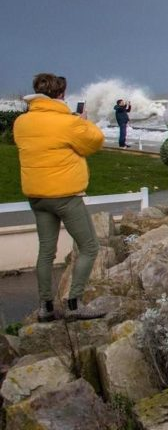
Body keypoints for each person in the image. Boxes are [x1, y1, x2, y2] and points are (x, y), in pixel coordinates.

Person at [13, 73, 107, 321]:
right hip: (65, 195)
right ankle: (75, 305)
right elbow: (94, 142)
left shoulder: (21, 122)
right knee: (89, 247)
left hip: (37, 196)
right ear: (61, 95)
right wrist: (83, 122)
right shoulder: (67, 123)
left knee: (46, 252)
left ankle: (46, 308)